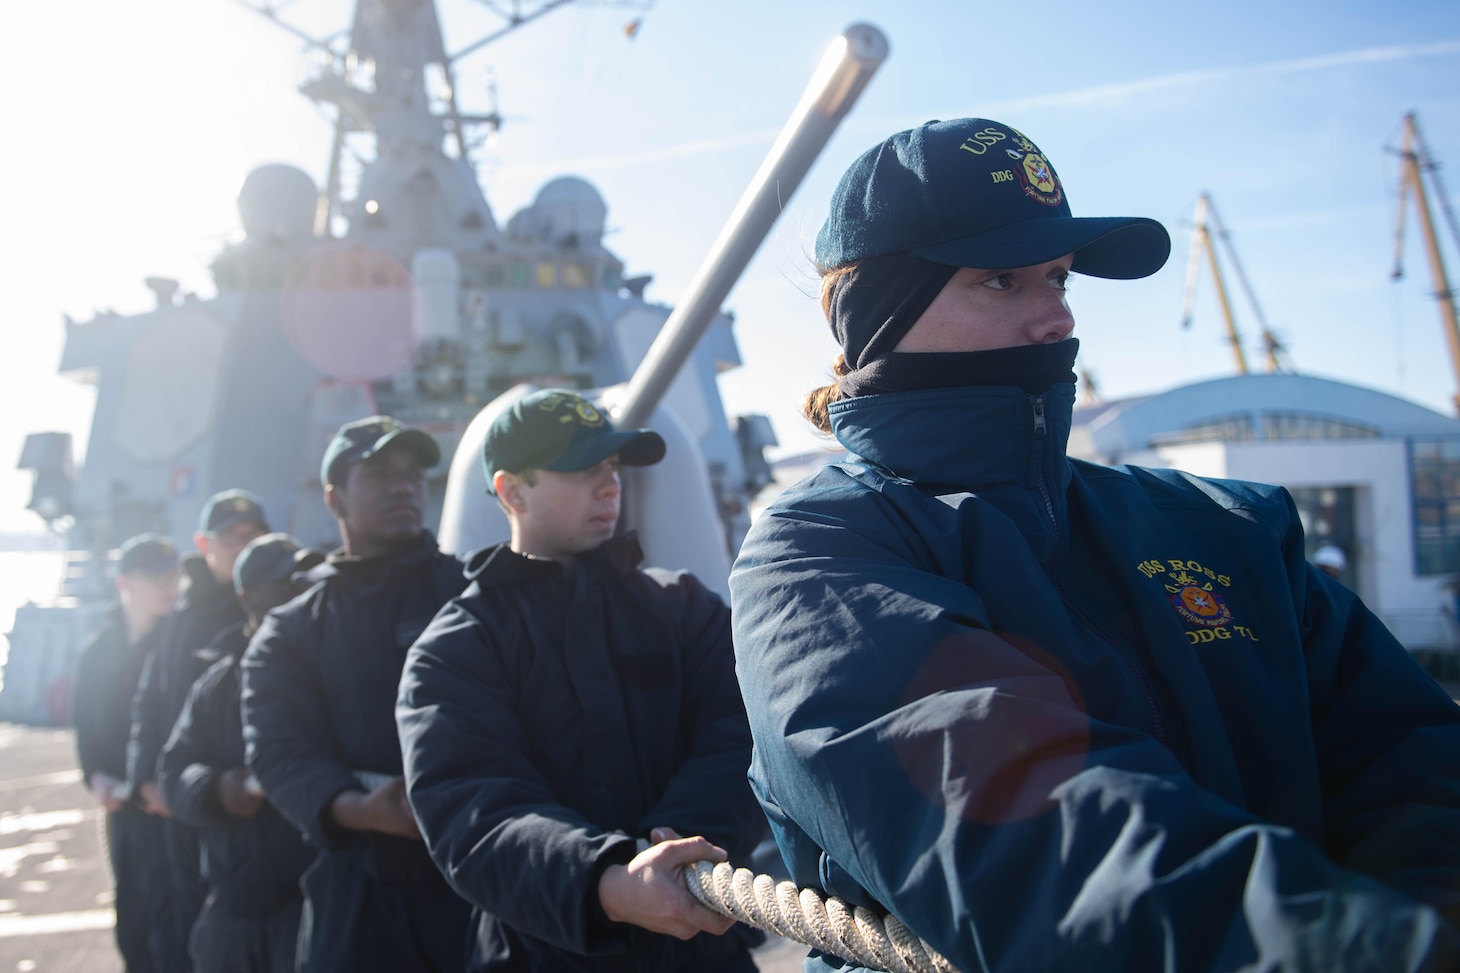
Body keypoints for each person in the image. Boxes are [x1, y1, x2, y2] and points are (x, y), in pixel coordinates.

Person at [729, 117, 1460, 972]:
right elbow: (1025, 830)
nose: (1056, 315)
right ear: (878, 312)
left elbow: (1409, 757)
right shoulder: (819, 555)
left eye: (1059, 276)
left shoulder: (1233, 527)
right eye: (1003, 279)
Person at [396, 388, 764, 972]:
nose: (609, 485)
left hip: (699, 944)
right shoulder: (456, 649)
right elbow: (472, 807)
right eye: (580, 469)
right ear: (511, 492)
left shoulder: (684, 607)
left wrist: (678, 849)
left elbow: (741, 732)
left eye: (612, 467)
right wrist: (609, 881)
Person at [241, 416, 473, 972]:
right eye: (378, 474)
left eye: (414, 474)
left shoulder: (478, 596)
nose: (403, 486)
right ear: (334, 498)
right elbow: (280, 752)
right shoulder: (291, 632)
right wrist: (360, 809)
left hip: (485, 880)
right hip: (362, 889)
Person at [157, 533, 323, 973]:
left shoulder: (333, 674)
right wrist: (216, 789)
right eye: (283, 583)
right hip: (232, 911)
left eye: (304, 580)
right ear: (247, 596)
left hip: (310, 906)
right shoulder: (217, 684)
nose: (299, 591)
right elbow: (173, 772)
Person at [128, 489, 270, 971]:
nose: (244, 545)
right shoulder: (181, 620)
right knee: (183, 918)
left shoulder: (272, 606)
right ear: (204, 544)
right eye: (232, 537)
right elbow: (151, 701)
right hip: (184, 796)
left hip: (251, 802)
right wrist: (145, 776)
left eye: (254, 536)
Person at [73, 533, 181, 973]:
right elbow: (86, 730)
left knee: (177, 916)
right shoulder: (100, 651)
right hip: (125, 807)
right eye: (154, 576)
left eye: (172, 574)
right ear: (125, 583)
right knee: (134, 914)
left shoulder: (182, 642)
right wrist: (97, 779)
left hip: (174, 806)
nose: (167, 585)